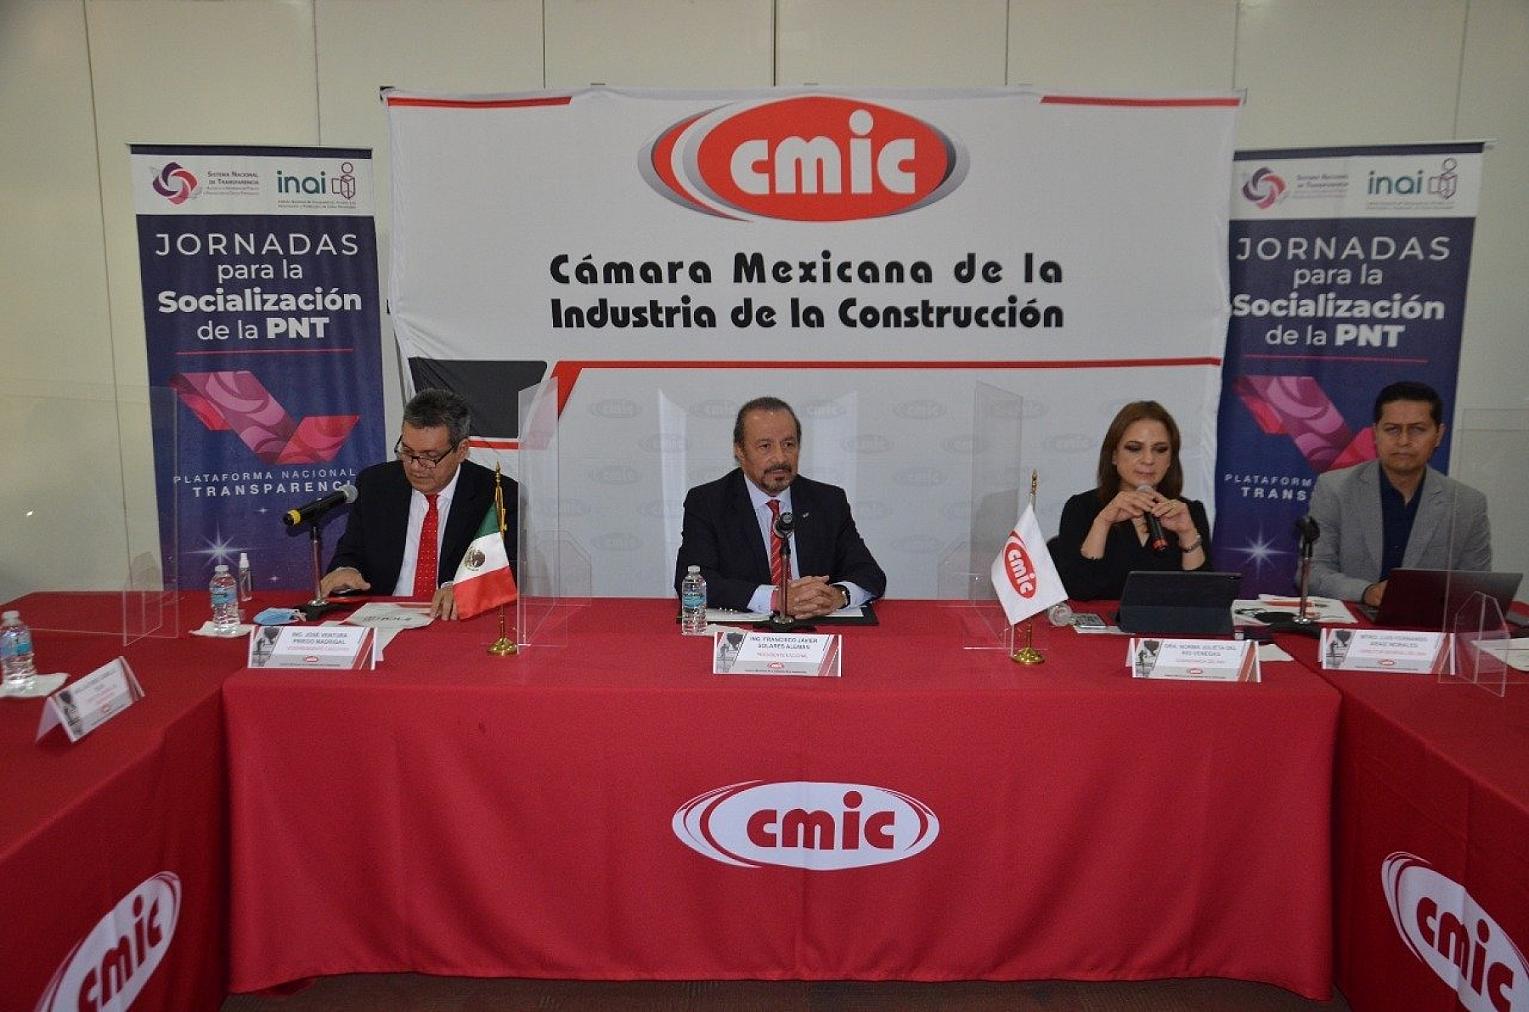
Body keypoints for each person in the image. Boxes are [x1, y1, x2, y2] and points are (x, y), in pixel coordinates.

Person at [674, 396, 886, 618]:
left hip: (815, 628)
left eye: (788, 444)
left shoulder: (828, 501)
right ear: (740, 451)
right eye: (765, 446)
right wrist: (775, 599)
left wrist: (838, 595)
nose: (780, 457)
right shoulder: (708, 502)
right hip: (747, 630)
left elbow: (870, 574)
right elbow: (691, 581)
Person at [321, 388, 517, 619]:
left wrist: (463, 588)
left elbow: (508, 569)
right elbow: (350, 551)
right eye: (407, 451)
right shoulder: (375, 484)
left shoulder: (496, 493)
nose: (415, 466)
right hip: (385, 617)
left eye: (430, 457)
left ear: (462, 450)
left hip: (454, 621)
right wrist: (345, 570)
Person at [1307, 381, 1490, 606]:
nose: (1403, 441)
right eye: (1392, 429)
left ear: (1438, 435)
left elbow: (1477, 588)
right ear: (1375, 433)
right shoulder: (1335, 488)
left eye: (1417, 429)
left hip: (1426, 623)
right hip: (1352, 619)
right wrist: (1366, 591)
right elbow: (1311, 572)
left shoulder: (1466, 503)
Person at [1050, 400, 1211, 601]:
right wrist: (1103, 523)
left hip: (1167, 622)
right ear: (1114, 456)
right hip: (1101, 622)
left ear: (1170, 460)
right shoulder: (1082, 508)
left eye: (1160, 449)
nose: (1148, 459)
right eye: (1134, 448)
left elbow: (1203, 601)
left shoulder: (1189, 512)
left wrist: (1187, 535)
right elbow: (1079, 590)